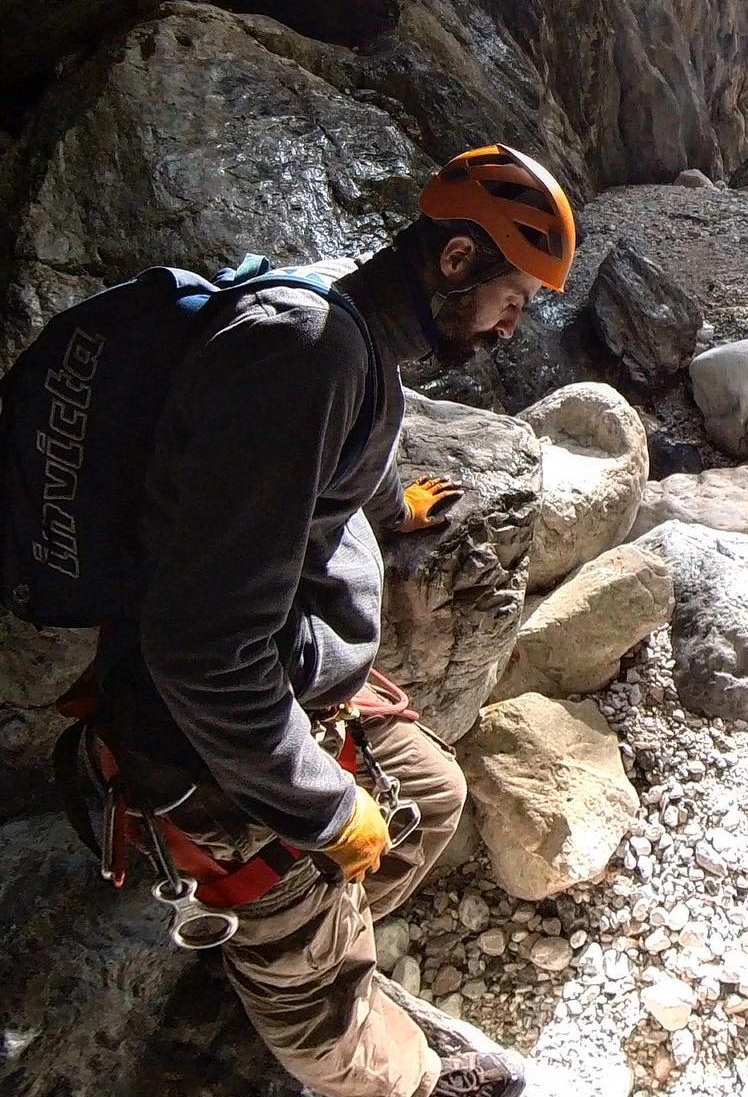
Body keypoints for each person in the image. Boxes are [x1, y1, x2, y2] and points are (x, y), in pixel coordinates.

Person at [75, 145, 576, 1097]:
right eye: (513, 297)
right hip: (206, 741)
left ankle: (313, 944)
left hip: (296, 681)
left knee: (430, 799)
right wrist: (325, 807)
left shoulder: (347, 320)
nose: (516, 325)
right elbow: (202, 652)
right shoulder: (305, 352)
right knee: (323, 1000)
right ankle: (367, 1051)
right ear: (457, 260)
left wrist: (386, 505)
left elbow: (327, 446)